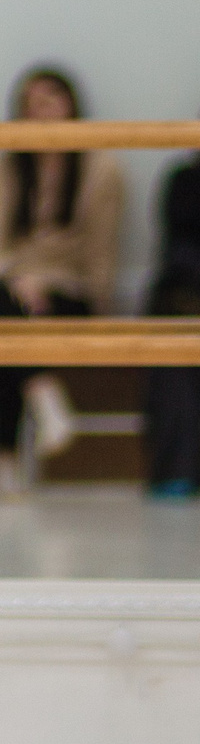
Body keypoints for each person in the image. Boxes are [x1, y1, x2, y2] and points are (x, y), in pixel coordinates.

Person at [0, 65, 125, 497]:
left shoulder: (101, 170)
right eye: (30, 106)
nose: (41, 113)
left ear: (72, 107)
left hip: (66, 291)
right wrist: (17, 279)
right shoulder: (4, 166)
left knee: (4, 333)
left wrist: (62, 292)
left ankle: (4, 458)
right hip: (6, 284)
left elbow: (100, 254)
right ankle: (44, 395)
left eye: (51, 101)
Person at [142, 137, 200, 498]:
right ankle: (174, 468)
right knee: (173, 339)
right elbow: (176, 251)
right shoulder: (184, 181)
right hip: (186, 292)